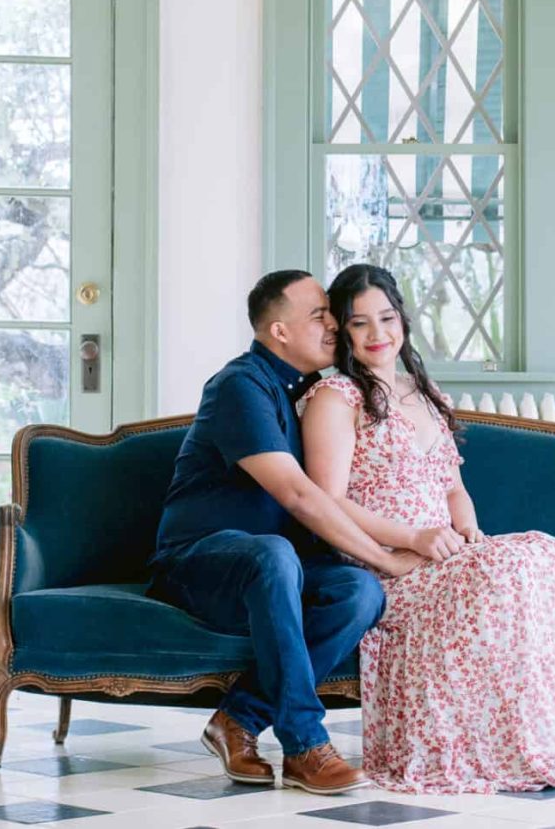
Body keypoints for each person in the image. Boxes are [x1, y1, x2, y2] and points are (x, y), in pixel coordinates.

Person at [296, 264, 555, 793]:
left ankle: (536, 740)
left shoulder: (423, 392)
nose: (378, 335)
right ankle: (496, 753)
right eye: (359, 324)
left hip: (447, 559)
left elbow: (453, 489)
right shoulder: (335, 397)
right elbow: (330, 502)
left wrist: (471, 536)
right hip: (387, 569)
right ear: (343, 334)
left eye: (387, 318)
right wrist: (411, 537)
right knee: (530, 555)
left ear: (404, 321)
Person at [147, 269, 423, 795]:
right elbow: (297, 494)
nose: (334, 325)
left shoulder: (314, 392)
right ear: (278, 332)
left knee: (358, 590)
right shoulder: (239, 385)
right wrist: (388, 557)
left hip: (277, 571)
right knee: (276, 554)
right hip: (198, 565)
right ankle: (303, 745)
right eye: (320, 315)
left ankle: (239, 718)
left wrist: (377, 565)